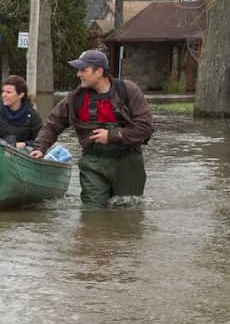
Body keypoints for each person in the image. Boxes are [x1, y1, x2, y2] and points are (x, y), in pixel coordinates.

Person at [29, 49, 155, 206]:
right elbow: (53, 123)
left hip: (128, 163)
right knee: (92, 212)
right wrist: (40, 148)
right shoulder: (75, 98)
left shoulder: (128, 91)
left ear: (99, 71)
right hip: (93, 164)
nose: (78, 74)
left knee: (128, 213)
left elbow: (145, 128)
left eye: (83, 70)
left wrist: (112, 135)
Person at [0, 74, 42, 148]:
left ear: (20, 95)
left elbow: (40, 141)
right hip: (0, 151)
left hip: (23, 152)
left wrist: (25, 144)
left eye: (8, 92)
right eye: (3, 91)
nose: (4, 95)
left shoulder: (33, 116)